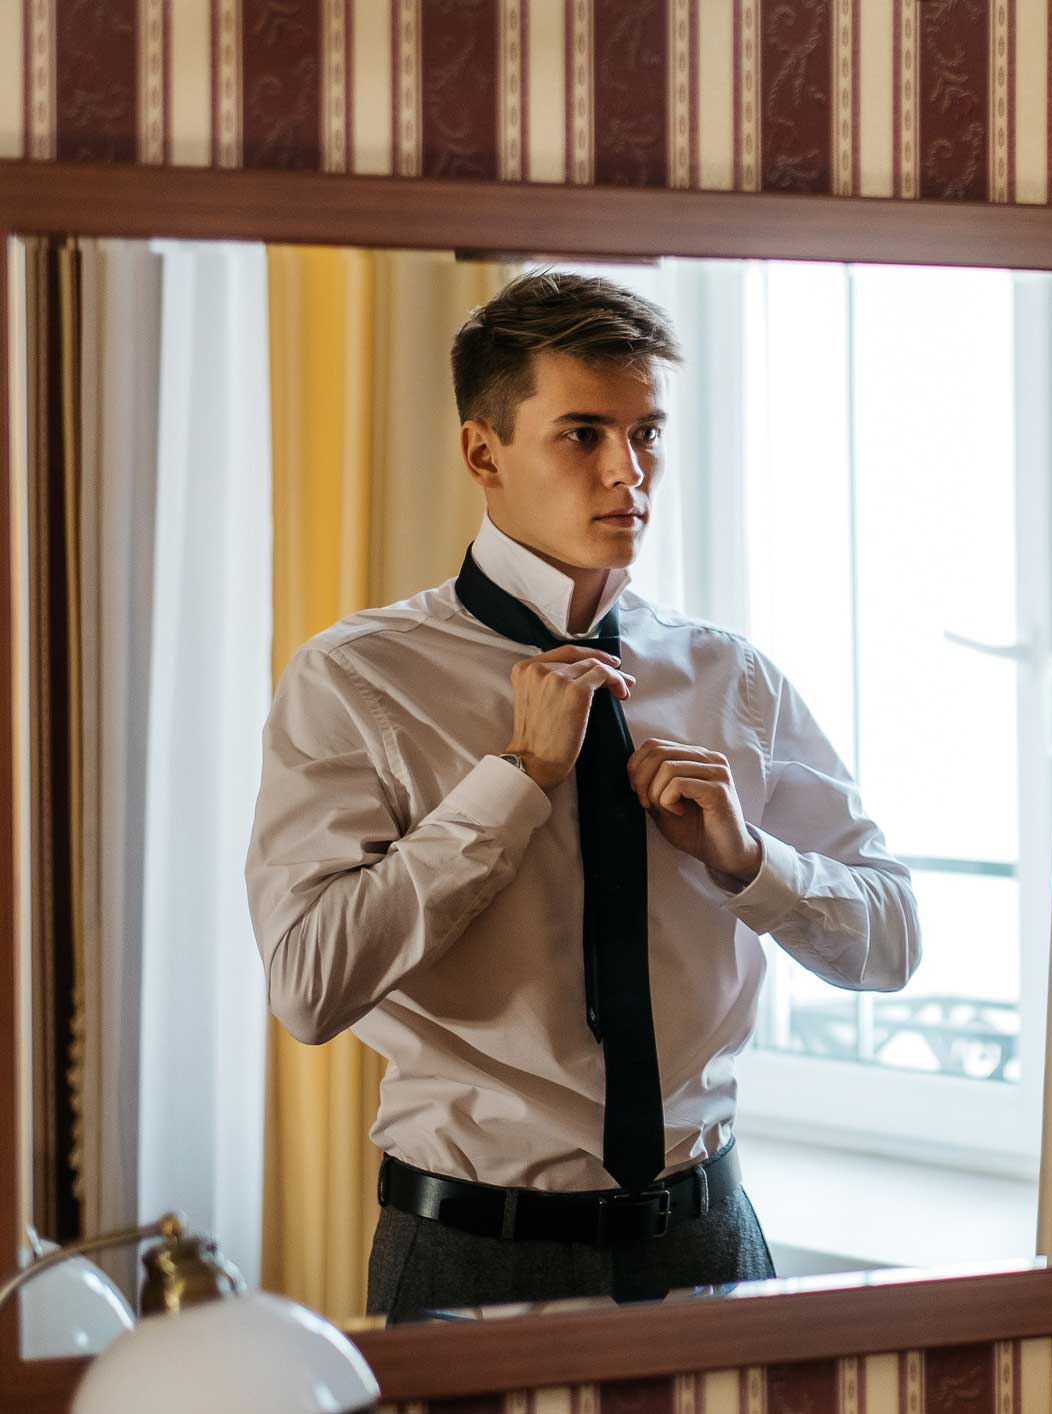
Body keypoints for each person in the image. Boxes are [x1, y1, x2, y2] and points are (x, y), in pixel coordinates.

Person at [246, 270, 921, 1320]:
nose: (629, 471)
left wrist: (751, 862)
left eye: (646, 432)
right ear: (484, 452)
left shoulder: (727, 676)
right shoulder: (357, 679)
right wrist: (513, 786)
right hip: (472, 1253)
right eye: (583, 433)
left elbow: (892, 941)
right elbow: (307, 983)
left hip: (714, 1240)